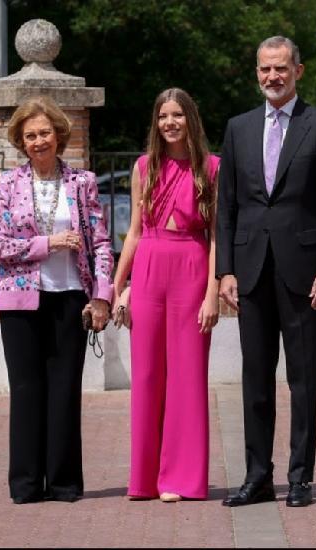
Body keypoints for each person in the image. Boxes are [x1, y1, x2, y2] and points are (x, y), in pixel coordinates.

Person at [218, 36, 316, 508]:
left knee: (303, 378)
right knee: (255, 378)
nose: (274, 76)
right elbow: (226, 207)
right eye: (266, 69)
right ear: (257, 72)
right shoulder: (238, 128)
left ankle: (300, 477)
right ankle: (257, 476)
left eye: (282, 68)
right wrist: (224, 271)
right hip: (250, 271)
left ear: (299, 70)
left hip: (304, 270)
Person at [0, 95, 114, 504]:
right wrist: (48, 243)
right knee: (26, 390)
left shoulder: (83, 183)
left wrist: (102, 296)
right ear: (21, 142)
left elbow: (101, 245)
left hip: (69, 298)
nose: (39, 141)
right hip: (19, 301)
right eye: (30, 136)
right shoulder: (8, 184)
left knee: (64, 390)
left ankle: (63, 483)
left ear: (59, 135)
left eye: (44, 133)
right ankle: (25, 484)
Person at [112, 88, 220, 502]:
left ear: (190, 118)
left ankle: (181, 479)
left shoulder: (212, 168)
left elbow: (216, 238)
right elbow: (135, 232)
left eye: (176, 115)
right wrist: (116, 287)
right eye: (162, 116)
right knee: (147, 375)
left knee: (189, 376)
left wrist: (212, 294)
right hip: (150, 269)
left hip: (192, 268)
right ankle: (144, 479)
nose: (169, 122)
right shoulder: (145, 166)